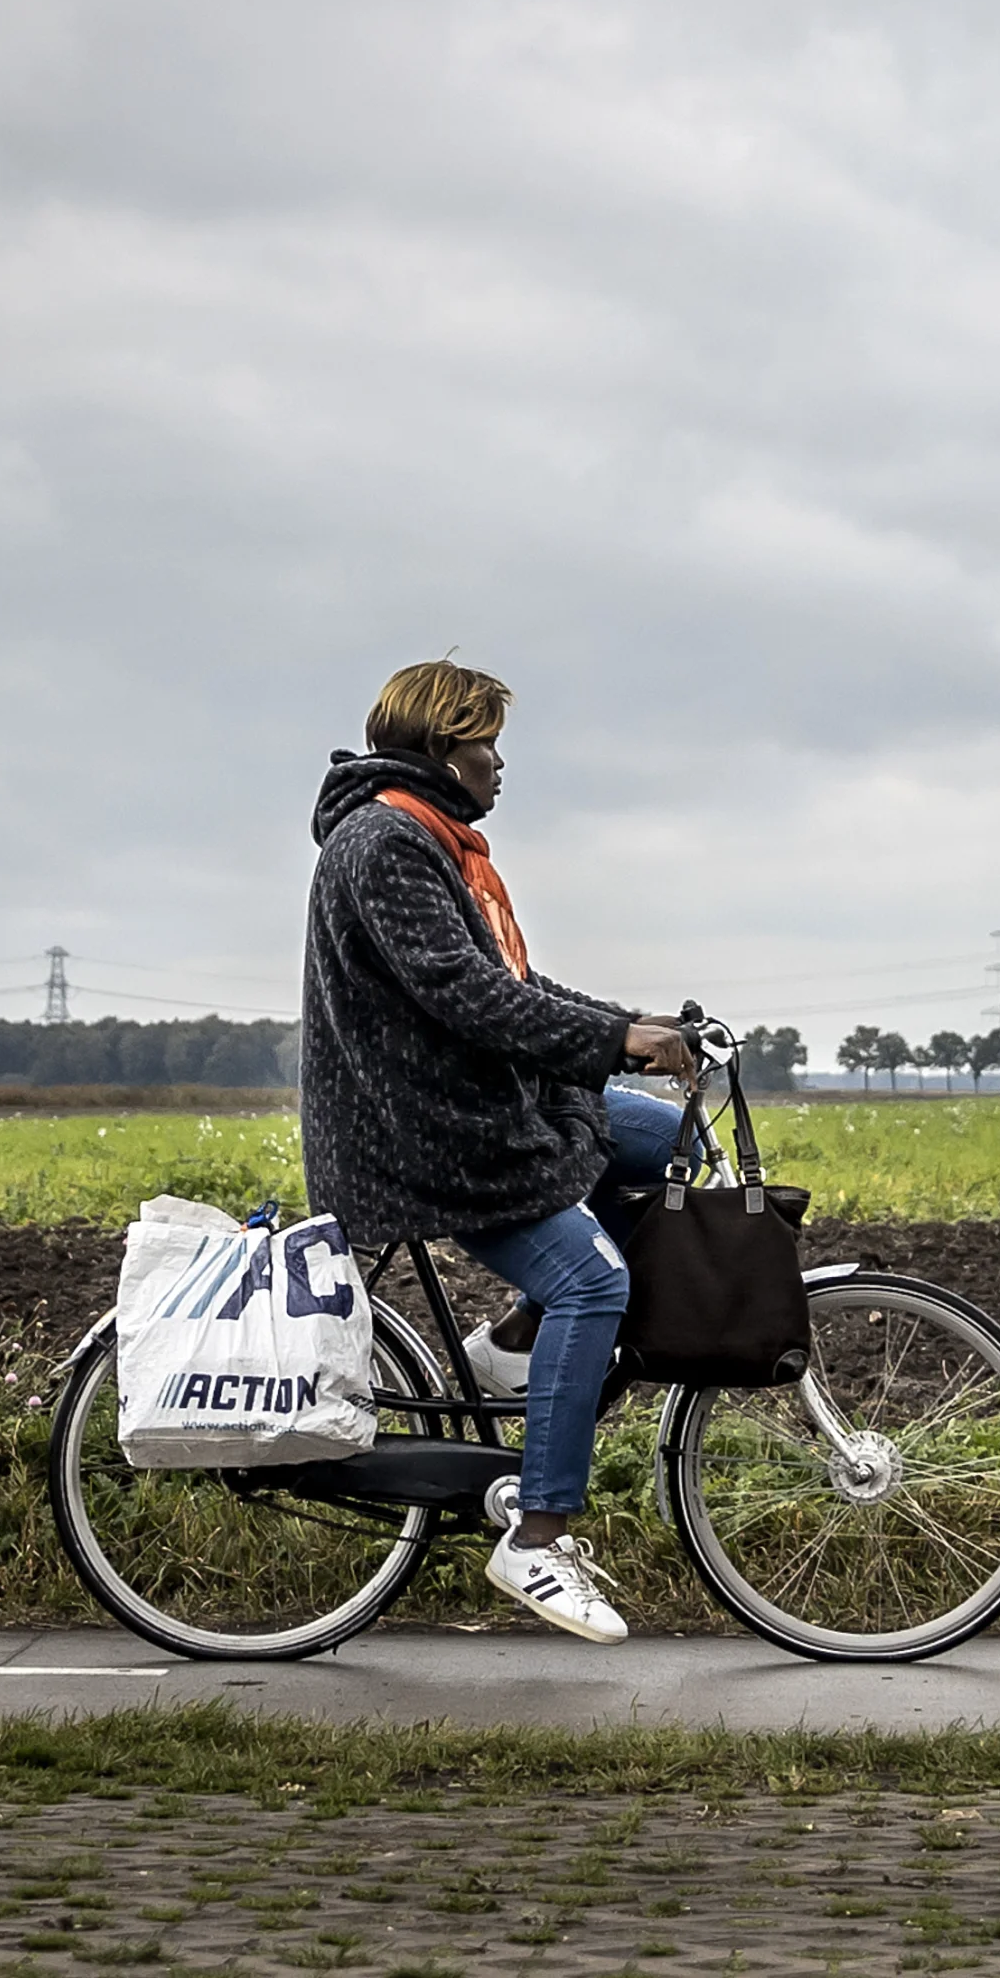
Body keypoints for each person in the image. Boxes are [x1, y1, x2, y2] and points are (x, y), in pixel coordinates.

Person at [299, 657, 696, 1643]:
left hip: (467, 1108)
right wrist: (615, 1046)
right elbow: (464, 995)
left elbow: (503, 977)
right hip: (430, 1134)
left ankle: (513, 1347)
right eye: (487, 743)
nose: (500, 764)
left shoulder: (427, 838)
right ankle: (538, 1534)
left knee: (670, 1138)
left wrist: (628, 1023)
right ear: (442, 747)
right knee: (593, 1284)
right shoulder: (387, 843)